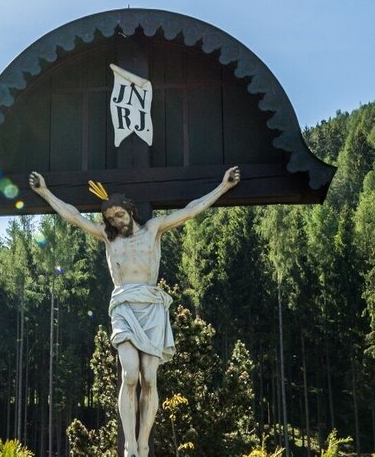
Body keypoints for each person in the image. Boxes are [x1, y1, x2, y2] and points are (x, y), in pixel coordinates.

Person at [29, 166, 241, 457]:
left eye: (119, 214)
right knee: (130, 373)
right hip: (124, 306)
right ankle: (129, 444)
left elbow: (191, 211)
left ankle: (143, 443)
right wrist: (44, 192)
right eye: (110, 218)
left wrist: (223, 187)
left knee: (149, 378)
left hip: (151, 306)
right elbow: (74, 216)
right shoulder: (109, 238)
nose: (116, 221)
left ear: (129, 210)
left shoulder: (153, 229)